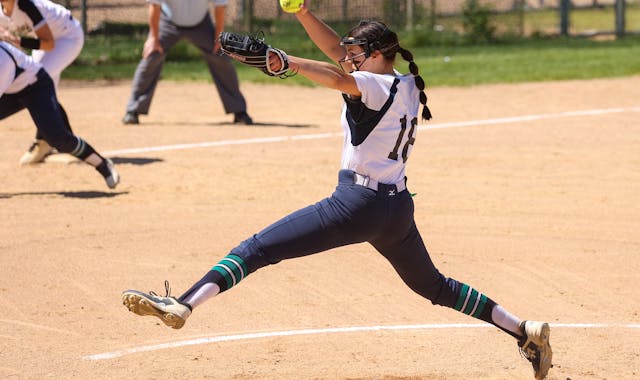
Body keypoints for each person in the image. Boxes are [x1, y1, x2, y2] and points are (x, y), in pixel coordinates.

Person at [121, 2, 552, 379]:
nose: (349, 59)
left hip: (356, 205)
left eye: (357, 54)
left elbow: (333, 74)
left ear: (379, 54)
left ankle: (183, 305)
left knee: (255, 249)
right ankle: (523, 330)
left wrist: (285, 60)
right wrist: (303, 13)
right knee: (434, 286)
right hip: (395, 210)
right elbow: (336, 58)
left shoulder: (372, 84)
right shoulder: (402, 83)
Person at [0, 41, 119, 189]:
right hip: (10, 89)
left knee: (58, 139)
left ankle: (102, 164)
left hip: (36, 88)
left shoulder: (2, 61)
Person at [121, 0, 253, 126]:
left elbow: (220, 7)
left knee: (221, 56)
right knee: (151, 55)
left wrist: (218, 37)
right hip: (168, 22)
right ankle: (133, 110)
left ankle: (239, 110)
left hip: (201, 24)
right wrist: (154, 38)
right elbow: (155, 6)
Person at [0, 0, 85, 165]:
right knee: (41, 87)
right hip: (44, 40)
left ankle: (66, 143)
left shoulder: (26, 6)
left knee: (36, 82)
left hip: (67, 37)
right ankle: (46, 141)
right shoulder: (2, 9)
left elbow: (49, 43)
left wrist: (19, 42)